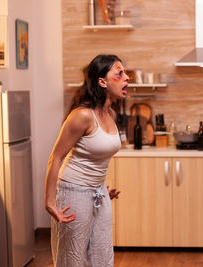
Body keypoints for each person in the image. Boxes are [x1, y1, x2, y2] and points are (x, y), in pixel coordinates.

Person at [45, 54, 129, 266]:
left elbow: (97, 156)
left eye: (125, 72)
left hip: (98, 192)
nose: (127, 77)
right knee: (72, 259)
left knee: (102, 256)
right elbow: (55, 158)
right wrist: (49, 202)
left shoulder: (110, 113)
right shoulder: (82, 115)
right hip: (73, 192)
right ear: (102, 82)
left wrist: (100, 188)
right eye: (119, 73)